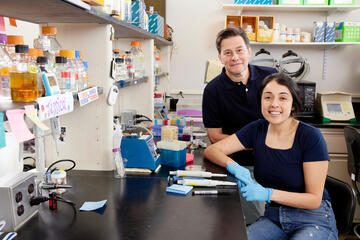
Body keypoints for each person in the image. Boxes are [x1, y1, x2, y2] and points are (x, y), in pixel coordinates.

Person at [204, 73, 338, 240]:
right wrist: (234, 166)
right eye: (268, 97)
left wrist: (268, 194)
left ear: (293, 105)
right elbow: (212, 150)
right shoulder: (257, 129)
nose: (274, 104)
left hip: (312, 219)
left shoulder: (310, 136)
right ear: (261, 101)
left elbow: (314, 200)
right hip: (274, 218)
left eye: (283, 98)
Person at [202, 27, 277, 223]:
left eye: (239, 50)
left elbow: (287, 117)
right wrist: (252, 143)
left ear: (249, 52)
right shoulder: (213, 90)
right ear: (220, 57)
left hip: (277, 161)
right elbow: (214, 136)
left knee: (282, 216)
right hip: (241, 166)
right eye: (227, 52)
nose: (234, 57)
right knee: (255, 220)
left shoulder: (270, 78)